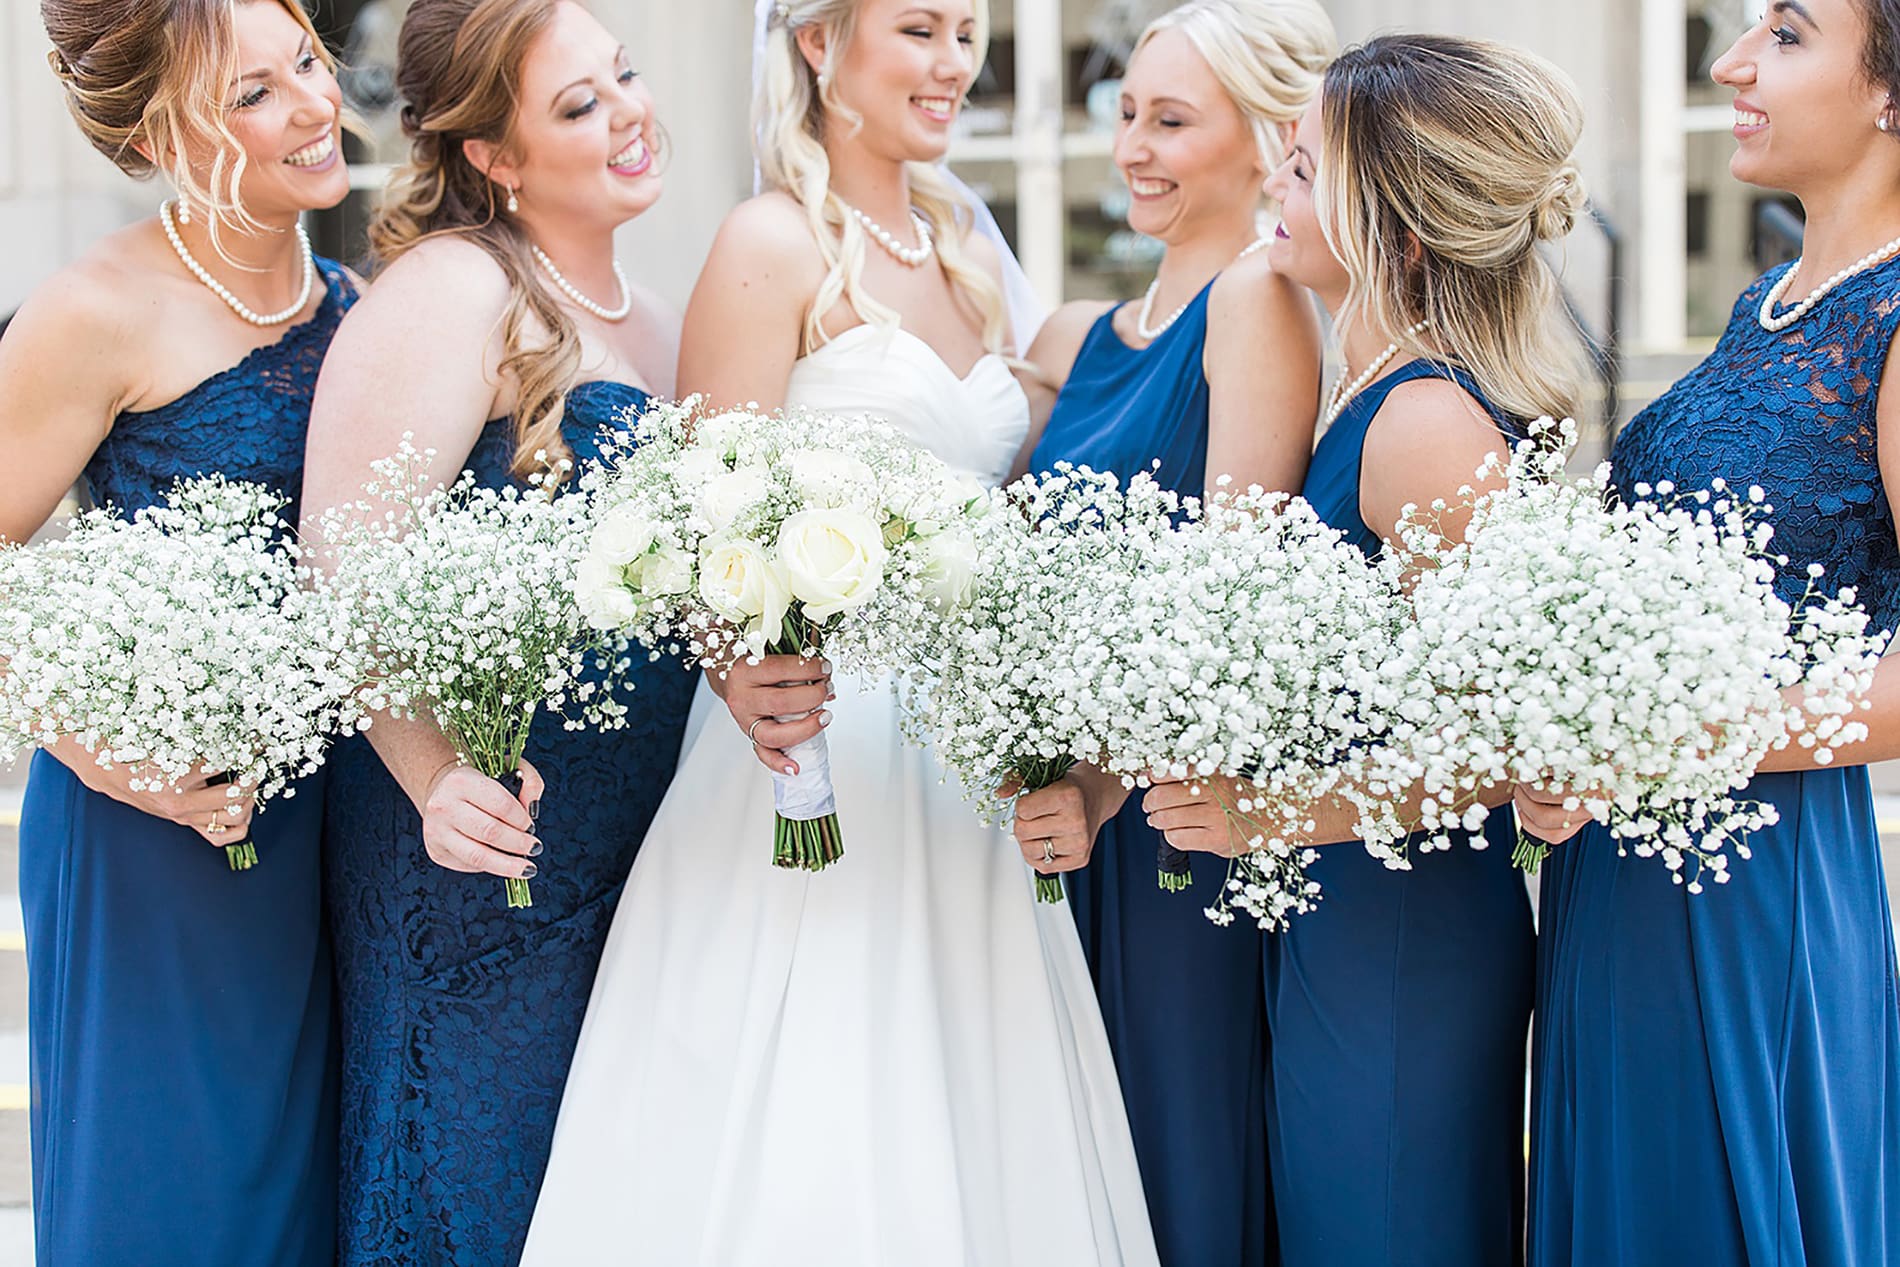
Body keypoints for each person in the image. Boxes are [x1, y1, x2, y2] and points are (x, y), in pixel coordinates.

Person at [522, 1, 1157, 1263]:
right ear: (819, 43)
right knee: (808, 1106)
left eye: (967, 30)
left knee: (974, 1111)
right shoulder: (770, 240)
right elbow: (701, 516)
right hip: (811, 746)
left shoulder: (967, 242)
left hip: (968, 763)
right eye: (919, 28)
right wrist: (740, 672)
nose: (955, 62)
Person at [1144, 33, 1591, 1265]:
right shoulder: (1360, 391)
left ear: (1393, 232)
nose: (1276, 188)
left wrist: (1264, 817)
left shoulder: (1426, 422)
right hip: (1336, 909)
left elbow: (1509, 744)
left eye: (1303, 170)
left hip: (1404, 933)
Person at [297, 1, 697, 1261]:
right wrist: (435, 778)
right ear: (493, 155)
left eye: (623, 75)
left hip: (639, 856)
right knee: (476, 1186)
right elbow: (338, 574)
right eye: (579, 104)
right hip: (480, 854)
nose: (629, 113)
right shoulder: (454, 289)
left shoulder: (661, 317)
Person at [1516, 2, 1900, 1262]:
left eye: (1785, 33)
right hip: (1620, 867)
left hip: (1757, 876)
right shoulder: (1765, 304)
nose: (1730, 60)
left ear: (1890, 92)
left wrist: (1668, 741)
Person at [1, 1, 354, 1261]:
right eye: (252, 94)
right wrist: (105, 755)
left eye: (305, 61)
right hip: (154, 832)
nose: (313, 105)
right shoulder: (92, 312)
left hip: (336, 841)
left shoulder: (362, 306)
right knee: (174, 1207)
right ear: (158, 135)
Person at [1013, 2, 1331, 1260]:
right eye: (1126, 114)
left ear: (1268, 139)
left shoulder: (1255, 300)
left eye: (1171, 121)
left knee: (1174, 1162)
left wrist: (1101, 779)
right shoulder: (1081, 339)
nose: (1132, 149)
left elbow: (1234, 599)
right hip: (1059, 820)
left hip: (1165, 822)